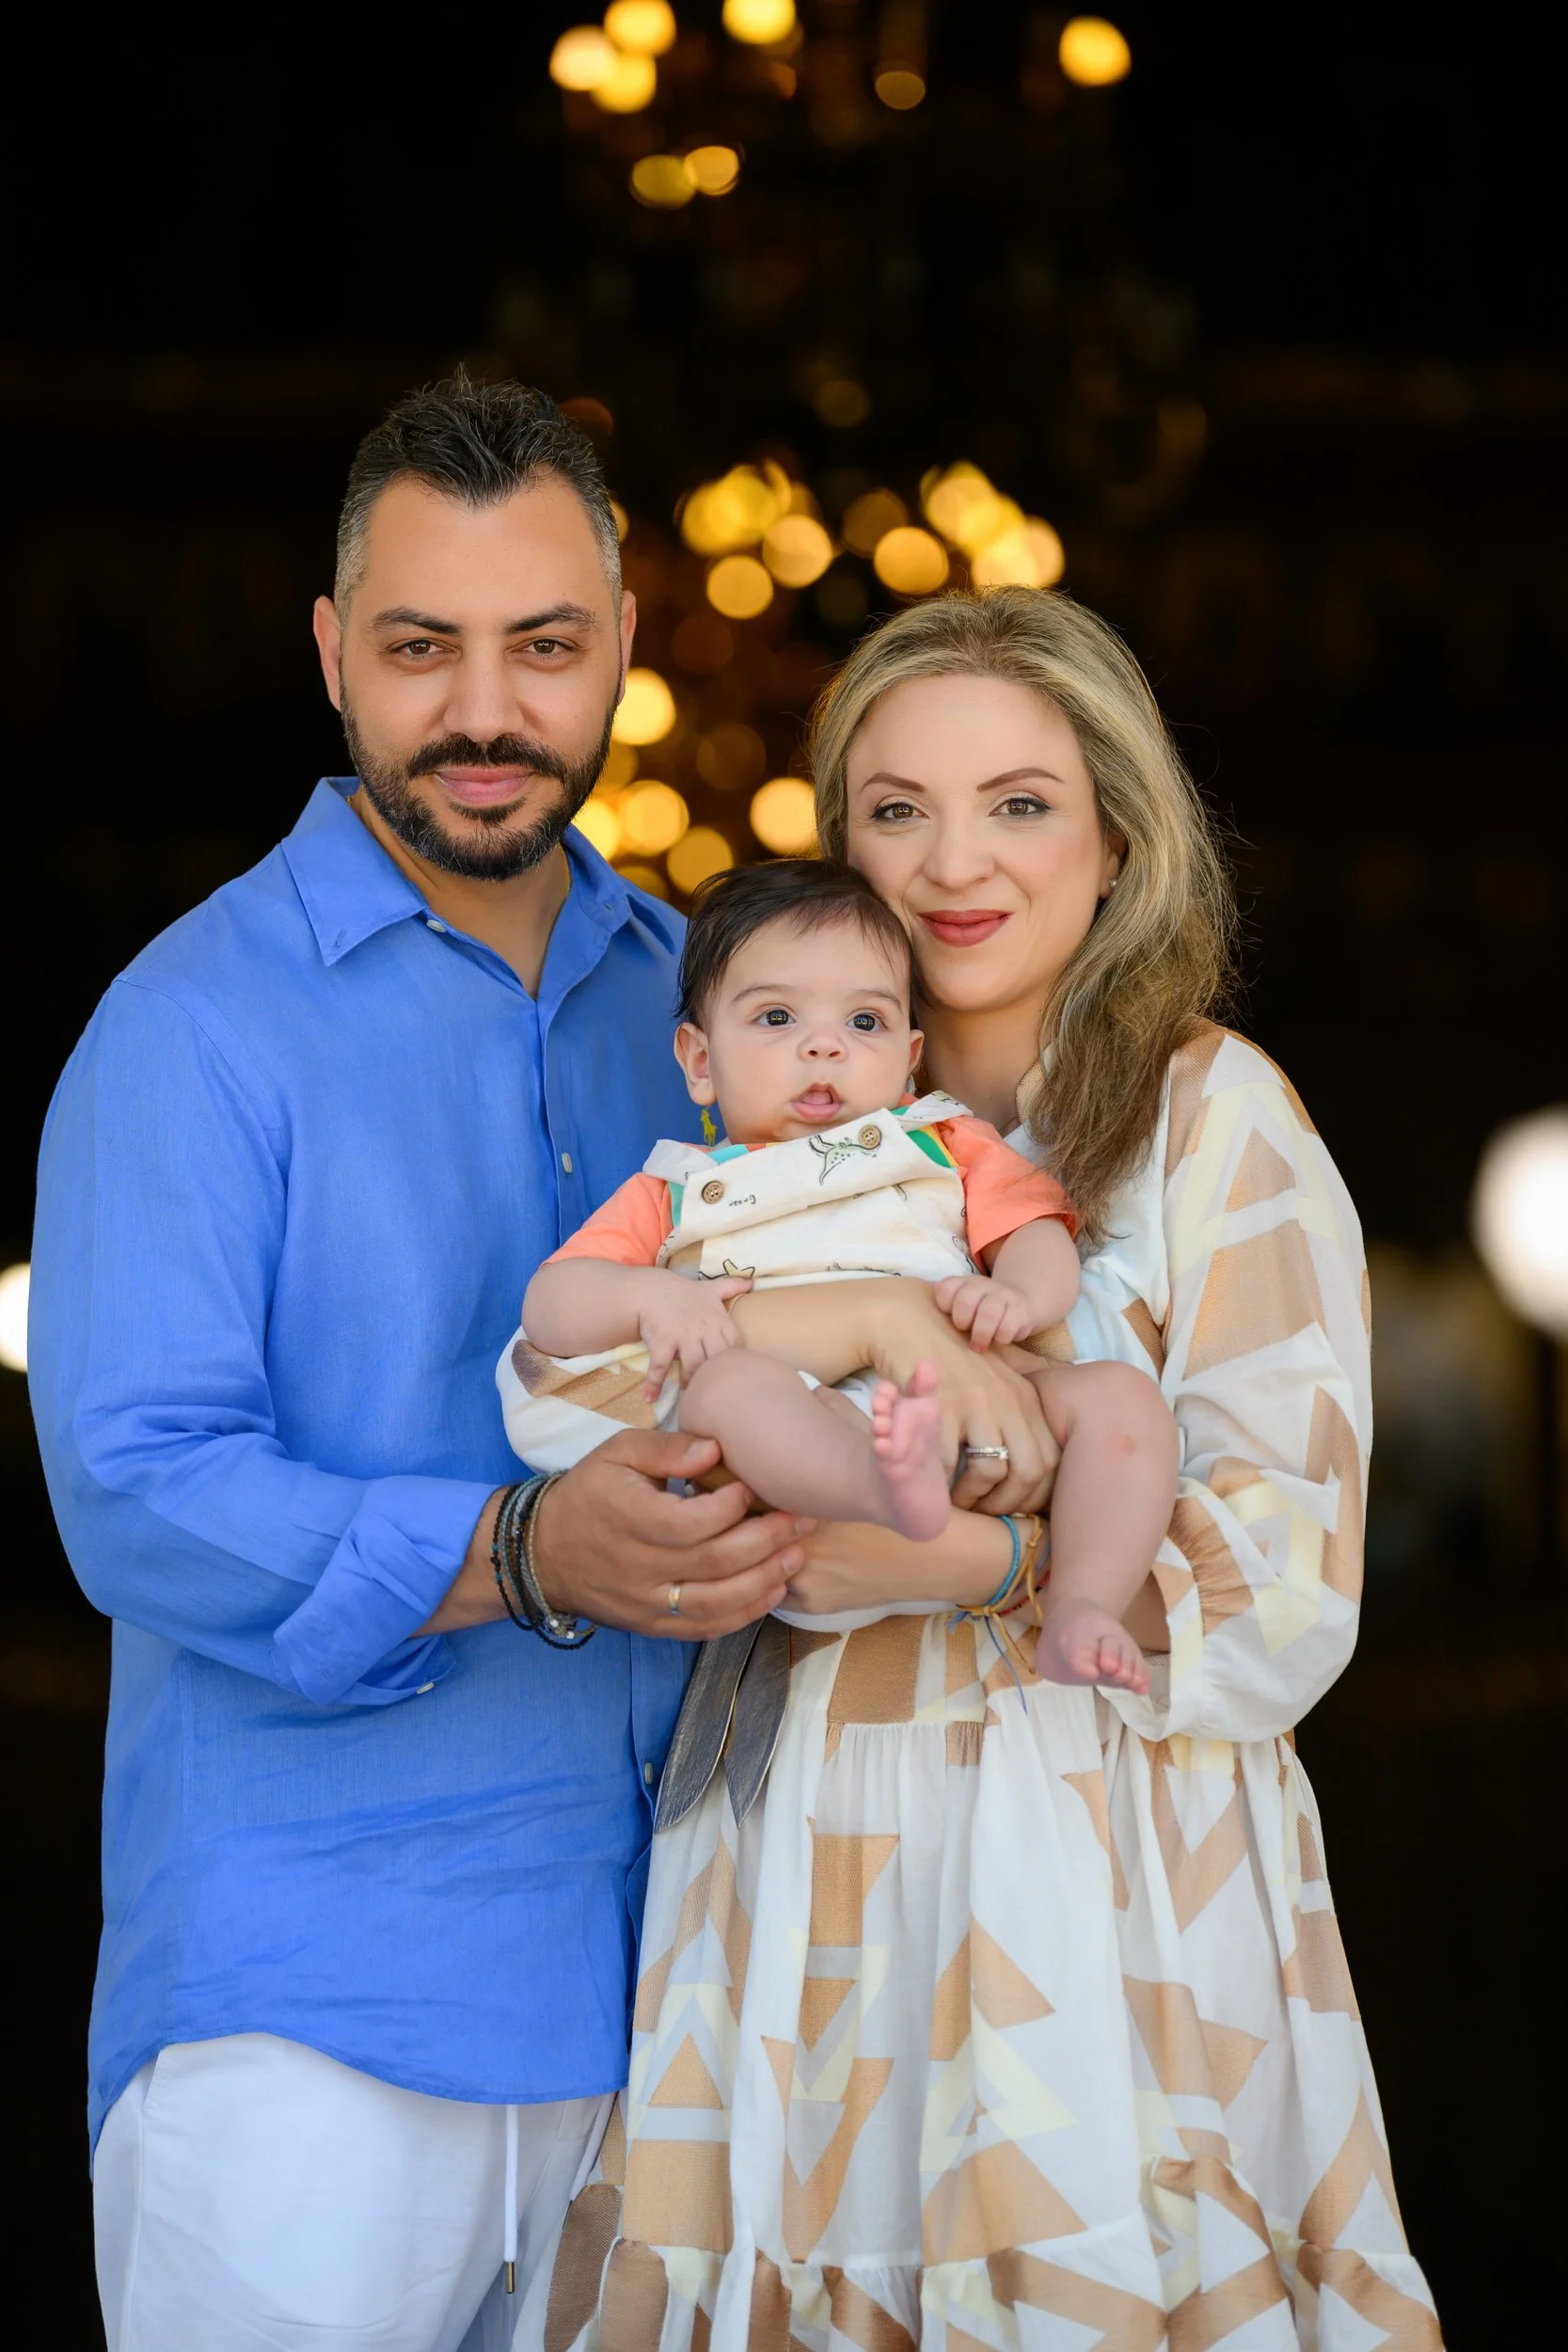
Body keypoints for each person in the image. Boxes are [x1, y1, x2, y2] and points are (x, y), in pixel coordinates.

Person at [520, 588, 1442, 2349]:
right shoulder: (752, 1149)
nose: (956, 863)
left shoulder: (1207, 1113)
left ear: (1114, 834)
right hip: (797, 1854)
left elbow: (1296, 1565)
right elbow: (572, 1397)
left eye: (1018, 802)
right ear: (835, 840)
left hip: (1097, 1876)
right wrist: (855, 1324)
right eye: (896, 809)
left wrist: (987, 1568)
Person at [26, 374, 827, 2352]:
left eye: (543, 645)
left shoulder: (705, 1011)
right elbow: (132, 1482)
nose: (485, 710)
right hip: (308, 2018)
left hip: (672, 2019)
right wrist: (525, 1550)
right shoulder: (188, 1023)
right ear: (330, 655)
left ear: (626, 649)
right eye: (420, 647)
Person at [510, 857, 1179, 1692]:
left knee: (1119, 1397)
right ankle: (875, 1480)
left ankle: (1082, 1602)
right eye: (777, 1016)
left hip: (966, 1400)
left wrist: (1016, 1294)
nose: (823, 1044)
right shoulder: (676, 1187)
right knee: (724, 1391)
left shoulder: (940, 1139)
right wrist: (649, 1294)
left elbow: (1035, 1229)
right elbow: (551, 1307)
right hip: (806, 1460)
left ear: (909, 1057)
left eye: (864, 1022)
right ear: (699, 1062)